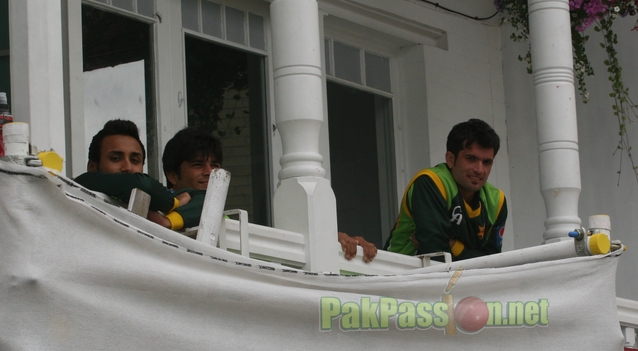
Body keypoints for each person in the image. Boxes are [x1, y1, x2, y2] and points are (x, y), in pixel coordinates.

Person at [154, 127, 377, 262]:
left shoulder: (228, 220)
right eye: (197, 165)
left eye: (215, 165)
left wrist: (327, 240)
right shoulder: (158, 211)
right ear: (172, 175)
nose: (210, 172)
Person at [386, 118, 507, 260]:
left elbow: (493, 263)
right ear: (450, 159)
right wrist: (465, 252)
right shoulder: (431, 181)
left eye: (487, 162)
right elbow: (436, 256)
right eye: (471, 159)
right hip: (399, 274)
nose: (479, 170)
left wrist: (453, 245)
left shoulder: (497, 200)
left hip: (461, 279)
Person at [74, 119, 191, 215]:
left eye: (135, 160)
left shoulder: (157, 210)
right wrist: (174, 203)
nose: (128, 167)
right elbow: (143, 184)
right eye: (115, 158)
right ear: (92, 167)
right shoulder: (79, 186)